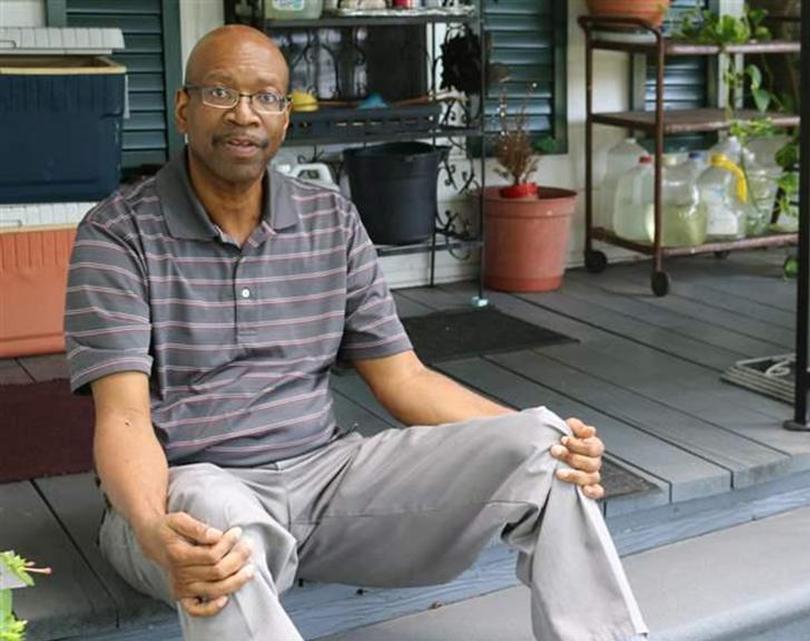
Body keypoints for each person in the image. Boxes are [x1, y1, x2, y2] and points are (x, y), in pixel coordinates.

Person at [64, 24, 648, 641]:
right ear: (184, 108)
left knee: (545, 442)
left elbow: (404, 378)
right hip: (191, 488)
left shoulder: (330, 219)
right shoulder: (118, 235)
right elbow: (123, 417)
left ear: (285, 119)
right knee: (215, 521)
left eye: (265, 97)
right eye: (219, 93)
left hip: (326, 481)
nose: (243, 114)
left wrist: (525, 431)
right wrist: (153, 530)